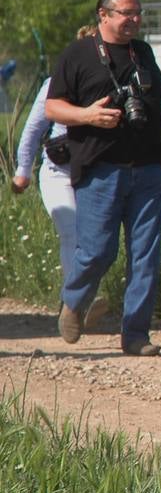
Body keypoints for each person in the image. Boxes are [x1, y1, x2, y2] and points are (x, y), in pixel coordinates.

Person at [45, 0, 161, 356]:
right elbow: (53, 108)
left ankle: (136, 335)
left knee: (145, 254)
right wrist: (88, 115)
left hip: (148, 169)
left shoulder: (143, 53)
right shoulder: (78, 55)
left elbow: (156, 110)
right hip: (101, 169)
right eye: (126, 13)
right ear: (104, 15)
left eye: (138, 13)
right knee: (99, 251)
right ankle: (74, 299)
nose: (134, 20)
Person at [11, 27, 110, 331]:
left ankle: (83, 298)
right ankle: (76, 304)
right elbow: (31, 132)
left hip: (94, 172)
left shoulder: (112, 84)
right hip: (59, 173)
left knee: (97, 240)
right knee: (72, 231)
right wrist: (23, 172)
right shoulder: (54, 85)